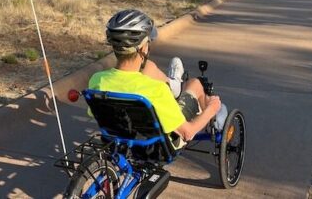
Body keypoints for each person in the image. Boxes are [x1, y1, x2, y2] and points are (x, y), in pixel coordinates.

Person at [88, 9, 221, 142]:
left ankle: (175, 83)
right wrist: (212, 109)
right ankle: (209, 114)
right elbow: (187, 133)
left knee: (148, 67)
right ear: (143, 48)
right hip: (161, 143)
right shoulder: (156, 90)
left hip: (120, 138)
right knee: (195, 84)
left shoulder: (98, 79)